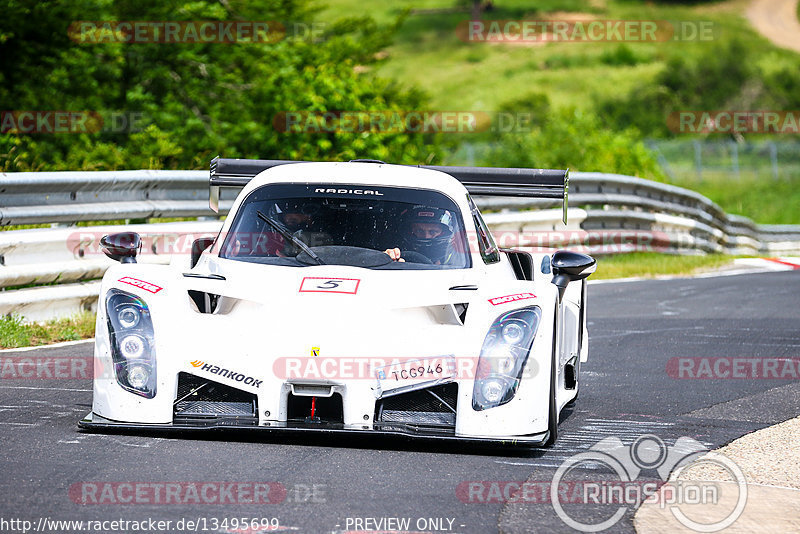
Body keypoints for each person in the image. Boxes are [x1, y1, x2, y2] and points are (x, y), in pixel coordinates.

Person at [384, 205, 454, 264]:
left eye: (432, 232)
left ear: (443, 233)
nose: (426, 237)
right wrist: (387, 257)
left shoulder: (457, 257)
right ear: (411, 231)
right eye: (419, 231)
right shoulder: (399, 247)